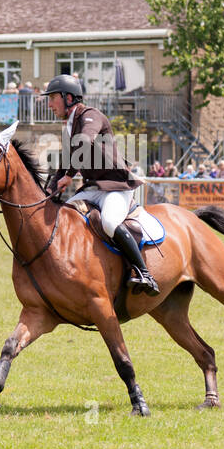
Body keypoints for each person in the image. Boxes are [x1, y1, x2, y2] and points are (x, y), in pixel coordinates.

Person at [41, 74, 157, 295]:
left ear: (68, 97)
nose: (49, 104)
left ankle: (144, 273)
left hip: (115, 186)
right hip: (92, 189)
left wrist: (68, 176)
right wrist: (52, 187)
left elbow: (84, 142)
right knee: (62, 218)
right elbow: (66, 160)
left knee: (110, 223)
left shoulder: (90, 115)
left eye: (53, 98)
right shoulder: (69, 126)